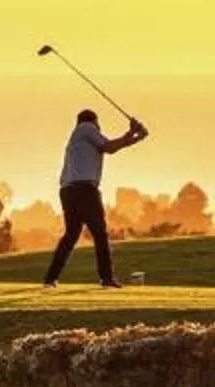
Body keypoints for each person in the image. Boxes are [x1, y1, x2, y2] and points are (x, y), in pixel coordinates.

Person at [44, 106, 150, 289]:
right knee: (99, 233)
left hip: (68, 191)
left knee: (71, 235)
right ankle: (106, 278)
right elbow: (108, 147)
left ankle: (50, 279)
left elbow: (112, 147)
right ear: (94, 121)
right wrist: (132, 132)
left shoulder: (78, 137)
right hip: (84, 189)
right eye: (98, 124)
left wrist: (136, 137)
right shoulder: (86, 128)